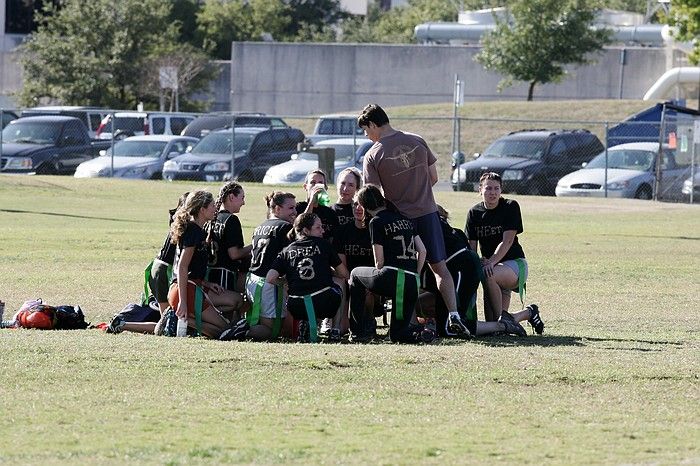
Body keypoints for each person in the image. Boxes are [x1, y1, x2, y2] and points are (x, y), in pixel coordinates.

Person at [357, 103, 470, 338]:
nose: (366, 135)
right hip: (428, 213)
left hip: (399, 219)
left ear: (373, 124)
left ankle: (407, 325)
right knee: (440, 268)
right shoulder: (417, 139)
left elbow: (373, 194)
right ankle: (454, 316)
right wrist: (419, 194)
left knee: (402, 272)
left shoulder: (373, 154)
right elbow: (434, 177)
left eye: (365, 130)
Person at [418, 205, 527, 337]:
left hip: (462, 271)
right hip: (464, 271)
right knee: (434, 314)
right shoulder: (449, 230)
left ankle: (503, 325)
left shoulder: (427, 223)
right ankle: (504, 321)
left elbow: (425, 263)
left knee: (451, 328)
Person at [349, 185, 433, 344]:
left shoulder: (376, 221)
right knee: (398, 336)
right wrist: (415, 273)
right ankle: (421, 333)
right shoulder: (404, 219)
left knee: (355, 274)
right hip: (411, 281)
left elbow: (379, 262)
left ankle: (357, 333)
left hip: (391, 276)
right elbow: (422, 251)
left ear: (364, 204)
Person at [465, 172, 544, 334]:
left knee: (488, 275)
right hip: (491, 267)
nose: (492, 192)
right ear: (480, 189)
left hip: (513, 264)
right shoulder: (474, 213)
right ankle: (528, 313)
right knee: (494, 324)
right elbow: (471, 247)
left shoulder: (510, 206)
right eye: (488, 188)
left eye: (496, 188)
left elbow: (507, 241)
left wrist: (491, 262)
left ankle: (516, 317)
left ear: (501, 190)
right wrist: (475, 264)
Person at [167, 190, 240, 339]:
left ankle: (189, 321)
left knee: (235, 303)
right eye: (213, 205)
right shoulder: (193, 230)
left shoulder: (197, 230)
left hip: (193, 287)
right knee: (225, 330)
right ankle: (187, 322)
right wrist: (183, 302)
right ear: (202, 210)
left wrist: (206, 283)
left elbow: (192, 267)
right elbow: (182, 267)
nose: (216, 209)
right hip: (186, 290)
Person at [266, 212, 349, 343]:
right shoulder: (324, 244)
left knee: (303, 287)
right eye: (318, 227)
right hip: (324, 303)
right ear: (305, 230)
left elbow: (270, 278)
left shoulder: (286, 250)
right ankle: (335, 330)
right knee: (340, 282)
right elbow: (344, 274)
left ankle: (304, 323)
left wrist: (284, 281)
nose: (323, 230)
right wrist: (328, 272)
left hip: (296, 307)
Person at [237, 191, 297, 341]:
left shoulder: (261, 226)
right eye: (290, 208)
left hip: (253, 280)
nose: (295, 212)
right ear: (277, 208)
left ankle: (240, 328)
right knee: (272, 330)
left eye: (295, 208)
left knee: (269, 325)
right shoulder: (285, 227)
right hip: (269, 284)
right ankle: (238, 331)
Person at [332, 194, 377, 340]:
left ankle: (369, 321)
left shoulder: (375, 230)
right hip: (348, 277)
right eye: (355, 204)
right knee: (344, 328)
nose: (358, 208)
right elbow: (341, 264)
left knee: (368, 292)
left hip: (371, 279)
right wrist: (350, 280)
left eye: (362, 205)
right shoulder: (343, 231)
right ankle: (335, 322)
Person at [207, 182, 252, 293]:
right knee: (234, 303)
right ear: (231, 197)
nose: (243, 203)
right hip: (224, 277)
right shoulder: (231, 220)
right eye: (242, 198)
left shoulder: (211, 218)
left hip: (208, 275)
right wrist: (254, 245)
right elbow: (234, 254)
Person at [296, 169, 339, 242]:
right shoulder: (298, 207)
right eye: (313, 182)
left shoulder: (330, 213)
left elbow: (333, 239)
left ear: (325, 188)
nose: (316, 186)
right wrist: (311, 202)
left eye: (320, 183)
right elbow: (299, 229)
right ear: (305, 187)